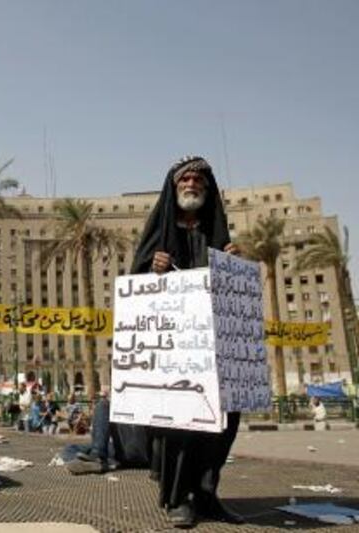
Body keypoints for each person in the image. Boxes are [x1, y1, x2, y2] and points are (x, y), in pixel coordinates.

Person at [130, 155, 244, 527]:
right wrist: (153, 271)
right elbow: (137, 290)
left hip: (215, 349)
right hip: (174, 353)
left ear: (207, 189)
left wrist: (234, 267)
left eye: (198, 179)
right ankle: (177, 497)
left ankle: (207, 493)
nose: (191, 183)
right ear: (175, 186)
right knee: (179, 422)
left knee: (223, 420)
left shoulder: (218, 238)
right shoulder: (159, 236)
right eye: (185, 179)